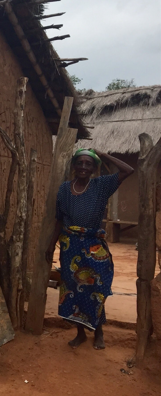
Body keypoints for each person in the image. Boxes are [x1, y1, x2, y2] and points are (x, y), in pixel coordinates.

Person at [45, 149, 133, 350]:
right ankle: (81, 333)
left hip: (93, 246)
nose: (83, 167)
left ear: (94, 168)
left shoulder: (101, 185)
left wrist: (103, 155)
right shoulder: (64, 189)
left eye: (88, 164)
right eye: (80, 163)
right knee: (73, 290)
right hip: (71, 246)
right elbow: (59, 220)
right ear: (74, 166)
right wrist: (51, 245)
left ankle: (99, 331)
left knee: (96, 289)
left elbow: (128, 170)